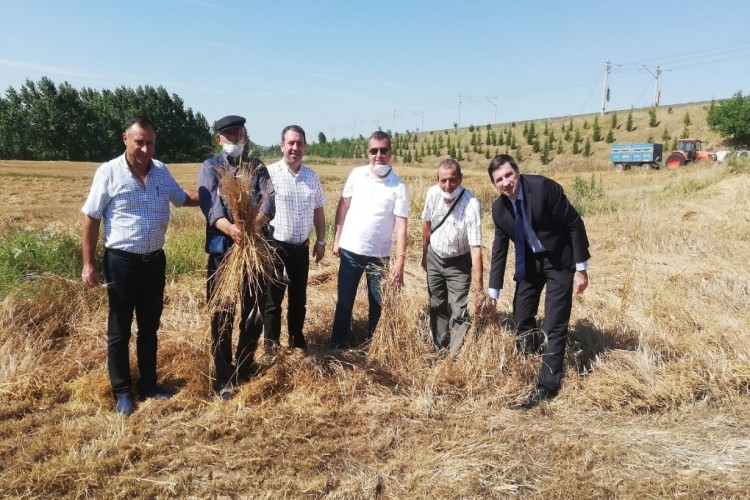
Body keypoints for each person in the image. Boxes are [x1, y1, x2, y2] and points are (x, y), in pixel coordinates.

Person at [81, 117, 199, 416]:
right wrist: (88, 263)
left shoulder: (160, 171)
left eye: (150, 142)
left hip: (154, 262)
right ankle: (122, 391)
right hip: (121, 263)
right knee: (119, 330)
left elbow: (183, 199)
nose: (145, 148)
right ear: (125, 139)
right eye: (139, 142)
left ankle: (149, 384)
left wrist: (219, 192)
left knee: (150, 327)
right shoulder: (108, 172)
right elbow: (92, 217)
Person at [487, 154, 590, 409]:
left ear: (518, 173)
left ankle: (547, 384)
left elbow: (575, 224)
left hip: (559, 261)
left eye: (509, 175)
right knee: (521, 317)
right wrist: (493, 292)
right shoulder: (499, 209)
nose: (506, 182)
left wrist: (581, 269)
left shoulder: (544, 189)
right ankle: (529, 358)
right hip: (530, 264)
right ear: (494, 184)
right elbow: (499, 249)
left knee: (554, 324)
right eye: (499, 179)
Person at [197, 115, 275, 400]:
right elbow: (210, 206)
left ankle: (244, 365)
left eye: (238, 134)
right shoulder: (211, 167)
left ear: (246, 136)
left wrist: (256, 222)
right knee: (222, 314)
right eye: (228, 135)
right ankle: (223, 376)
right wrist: (230, 228)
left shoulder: (257, 167)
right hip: (223, 252)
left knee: (254, 313)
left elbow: (269, 199)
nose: (233, 139)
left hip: (254, 252)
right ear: (219, 140)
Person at [331, 131, 408, 348]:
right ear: (368, 153)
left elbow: (402, 226)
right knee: (345, 302)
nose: (379, 155)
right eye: (374, 151)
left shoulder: (399, 187)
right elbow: (343, 206)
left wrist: (400, 262)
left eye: (383, 150)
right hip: (351, 252)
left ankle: (374, 346)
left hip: (380, 256)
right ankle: (337, 346)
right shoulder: (357, 175)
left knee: (378, 305)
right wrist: (337, 239)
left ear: (390, 153)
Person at [263, 125, 327, 355]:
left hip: (301, 248)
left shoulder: (311, 176)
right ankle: (271, 346)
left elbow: (318, 209)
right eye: (291, 143)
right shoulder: (269, 174)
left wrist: (321, 241)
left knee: (299, 298)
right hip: (275, 246)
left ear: (305, 147)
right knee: (272, 299)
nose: (295, 148)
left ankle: (296, 340)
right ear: (282, 145)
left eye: (299, 143)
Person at [421, 158, 483, 357]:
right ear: (437, 180)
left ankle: (455, 356)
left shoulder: (471, 204)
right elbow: (427, 225)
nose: (448, 186)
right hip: (435, 257)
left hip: (459, 263)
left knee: (459, 309)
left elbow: (475, 247)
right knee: (436, 303)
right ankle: (441, 348)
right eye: (443, 181)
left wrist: (479, 284)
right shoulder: (432, 194)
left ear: (461, 179)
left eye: (453, 180)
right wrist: (424, 254)